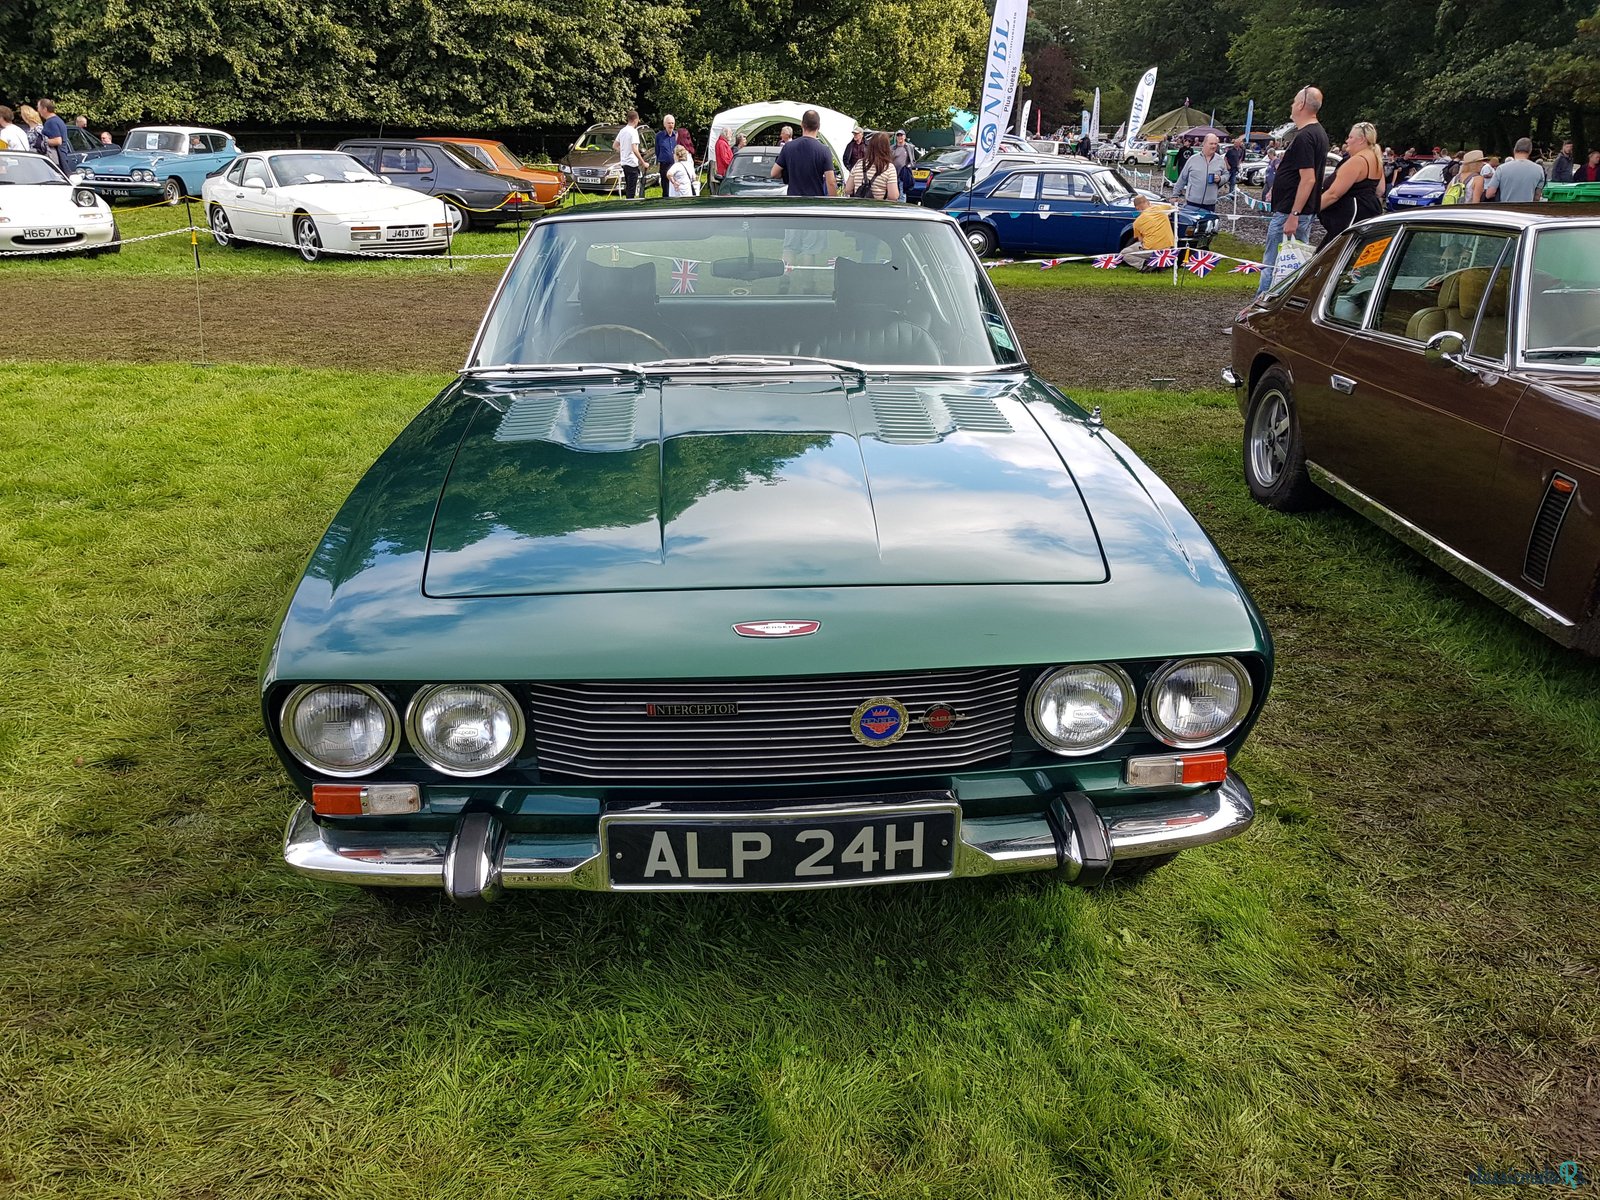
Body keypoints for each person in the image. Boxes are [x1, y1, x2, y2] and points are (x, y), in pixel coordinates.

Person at [1257, 86, 1328, 298]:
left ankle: (1260, 309)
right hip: (1294, 210)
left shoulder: (1306, 136)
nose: (1291, 105)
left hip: (1290, 213)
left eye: (1294, 101)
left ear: (1302, 105)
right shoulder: (1317, 133)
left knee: (1274, 265)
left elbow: (1308, 179)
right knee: (1288, 265)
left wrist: (1293, 215)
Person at [1317, 121, 1384, 245]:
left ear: (1361, 140)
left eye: (1350, 137)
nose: (1347, 141)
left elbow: (1333, 194)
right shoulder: (1376, 159)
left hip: (1351, 217)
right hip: (1370, 212)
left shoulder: (1357, 161)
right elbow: (1380, 190)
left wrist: (1310, 209)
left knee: (1332, 256)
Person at [770, 109, 836, 196]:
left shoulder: (788, 147)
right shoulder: (824, 150)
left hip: (794, 201)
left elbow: (774, 173)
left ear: (801, 124)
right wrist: (832, 202)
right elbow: (831, 182)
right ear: (818, 127)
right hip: (815, 202)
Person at [1117, 194, 1177, 269]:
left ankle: (1145, 264)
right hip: (1168, 248)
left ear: (1137, 208)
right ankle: (1159, 262)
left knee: (1124, 253)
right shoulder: (1162, 208)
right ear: (1148, 202)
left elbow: (1141, 240)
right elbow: (1175, 208)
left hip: (1152, 250)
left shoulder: (1137, 222)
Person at [1175, 133, 1227, 210]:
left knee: (1208, 222)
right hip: (1192, 202)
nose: (1214, 146)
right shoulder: (1193, 159)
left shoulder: (1220, 160)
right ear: (1204, 143)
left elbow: (1226, 175)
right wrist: (1175, 195)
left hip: (1210, 203)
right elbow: (1182, 178)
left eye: (1215, 144)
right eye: (1211, 143)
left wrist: (1220, 179)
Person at [842, 130, 899, 200]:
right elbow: (893, 196)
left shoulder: (859, 163)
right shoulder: (888, 168)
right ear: (887, 148)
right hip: (877, 208)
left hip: (858, 207)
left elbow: (848, 189)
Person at [1486, 137, 1544, 203]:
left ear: (1514, 150)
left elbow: (1489, 194)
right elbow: (1537, 197)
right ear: (1530, 151)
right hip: (1527, 210)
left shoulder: (1501, 168)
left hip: (1506, 210)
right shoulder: (1539, 169)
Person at [613, 108, 644, 199]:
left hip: (624, 163)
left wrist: (623, 151)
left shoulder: (622, 131)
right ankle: (630, 206)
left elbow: (615, 145)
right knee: (631, 189)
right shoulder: (633, 132)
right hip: (632, 163)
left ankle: (628, 202)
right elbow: (634, 149)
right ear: (636, 120)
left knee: (628, 187)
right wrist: (642, 161)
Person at [37, 98, 69, 170]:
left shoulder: (51, 122)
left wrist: (42, 142)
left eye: (38, 108)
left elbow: (58, 141)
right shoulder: (57, 120)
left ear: (45, 109)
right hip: (62, 156)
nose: (38, 110)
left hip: (57, 159)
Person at [655, 114, 679, 197]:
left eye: (672, 123)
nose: (671, 125)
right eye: (669, 123)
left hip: (675, 165)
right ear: (664, 124)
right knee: (666, 188)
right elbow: (657, 150)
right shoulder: (659, 136)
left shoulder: (677, 136)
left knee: (675, 186)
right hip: (664, 165)